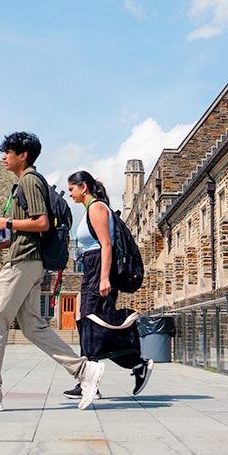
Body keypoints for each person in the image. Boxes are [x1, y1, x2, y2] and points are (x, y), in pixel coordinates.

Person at [0, 132, 105, 412]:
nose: (3, 157)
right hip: (29, 261)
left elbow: (42, 223)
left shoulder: (30, 180)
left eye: (7, 152)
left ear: (22, 155)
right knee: (33, 327)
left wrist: (6, 222)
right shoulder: (26, 183)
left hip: (22, 264)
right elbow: (29, 232)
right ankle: (84, 371)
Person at [63, 170, 152, 400]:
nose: (70, 194)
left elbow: (106, 244)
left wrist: (104, 278)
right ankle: (132, 365)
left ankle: (91, 381)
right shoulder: (90, 209)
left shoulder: (96, 208)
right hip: (91, 268)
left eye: (72, 189)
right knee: (92, 325)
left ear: (83, 187)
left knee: (91, 324)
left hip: (99, 269)